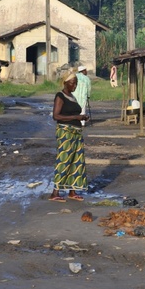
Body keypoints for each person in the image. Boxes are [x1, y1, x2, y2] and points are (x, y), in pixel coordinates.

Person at [49, 72, 90, 202]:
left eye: (76, 83)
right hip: (66, 132)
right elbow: (56, 116)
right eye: (73, 83)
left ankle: (73, 191)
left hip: (76, 133)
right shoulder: (60, 96)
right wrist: (76, 117)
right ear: (65, 82)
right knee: (64, 160)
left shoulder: (72, 96)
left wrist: (81, 118)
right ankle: (55, 192)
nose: (75, 86)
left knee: (76, 161)